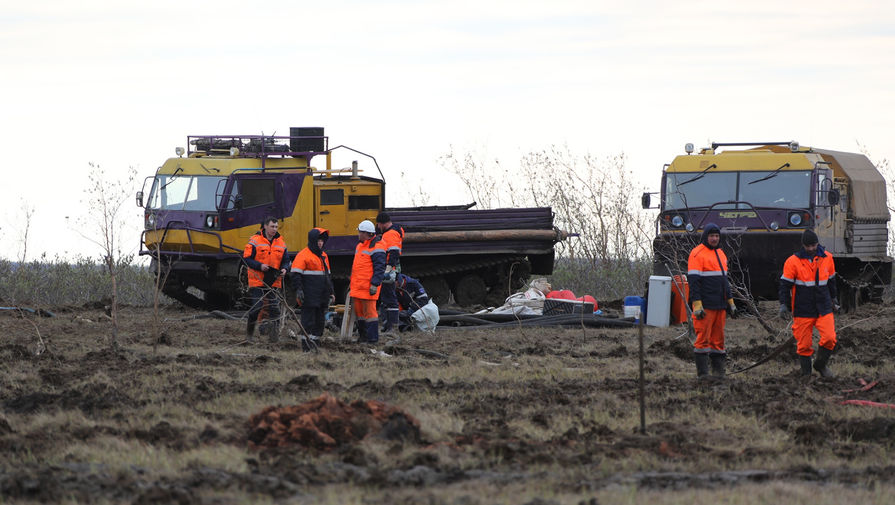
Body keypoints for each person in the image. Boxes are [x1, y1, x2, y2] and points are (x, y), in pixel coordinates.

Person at [778, 229, 839, 377]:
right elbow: (784, 286)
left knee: (830, 338)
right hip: (802, 309)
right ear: (803, 245)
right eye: (808, 246)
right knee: (804, 346)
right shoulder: (792, 262)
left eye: (813, 245)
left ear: (817, 243)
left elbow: (831, 281)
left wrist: (834, 298)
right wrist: (784, 305)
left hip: (823, 306)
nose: (811, 249)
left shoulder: (828, 258)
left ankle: (820, 365)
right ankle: (806, 376)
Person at [687, 223, 737, 378]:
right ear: (706, 237)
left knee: (718, 341)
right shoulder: (697, 254)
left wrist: (731, 302)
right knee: (703, 339)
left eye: (716, 236)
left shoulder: (721, 254)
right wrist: (697, 305)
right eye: (711, 236)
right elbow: (694, 282)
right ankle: (703, 375)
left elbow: (724, 281)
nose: (714, 239)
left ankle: (719, 373)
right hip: (705, 305)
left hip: (720, 305)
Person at [243, 216, 289, 342]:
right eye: (272, 226)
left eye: (276, 227)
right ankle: (249, 336)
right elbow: (246, 259)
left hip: (274, 281)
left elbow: (286, 261)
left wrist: (285, 269)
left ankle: (274, 339)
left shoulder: (281, 242)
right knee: (257, 308)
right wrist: (260, 266)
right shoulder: (254, 240)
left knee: (275, 309)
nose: (274, 229)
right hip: (258, 280)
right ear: (265, 226)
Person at [290, 227, 334, 349]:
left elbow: (328, 277)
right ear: (313, 240)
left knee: (320, 323)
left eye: (322, 241)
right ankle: (306, 347)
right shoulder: (303, 255)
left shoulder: (324, 255)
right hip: (309, 296)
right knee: (308, 322)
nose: (320, 243)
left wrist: (331, 292)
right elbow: (295, 275)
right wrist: (298, 290)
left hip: (322, 296)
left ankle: (315, 345)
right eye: (318, 240)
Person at [349, 219, 387, 344]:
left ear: (367, 233)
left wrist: (375, 284)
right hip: (358, 287)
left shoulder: (378, 246)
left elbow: (380, 268)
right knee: (360, 314)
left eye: (360, 232)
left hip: (368, 287)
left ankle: (372, 339)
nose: (358, 234)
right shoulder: (360, 245)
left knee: (370, 314)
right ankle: (363, 338)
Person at [376, 212, 404, 334]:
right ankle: (388, 325)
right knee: (386, 297)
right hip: (389, 267)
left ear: (382, 223)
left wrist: (388, 267)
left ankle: (392, 326)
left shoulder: (390, 234)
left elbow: (393, 252)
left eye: (378, 224)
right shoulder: (391, 232)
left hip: (388, 269)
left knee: (389, 296)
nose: (378, 227)